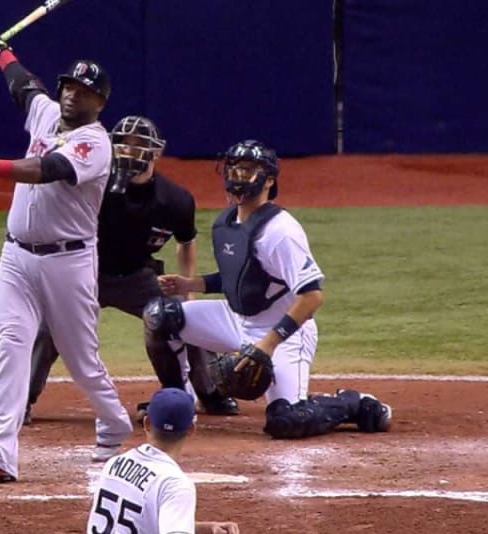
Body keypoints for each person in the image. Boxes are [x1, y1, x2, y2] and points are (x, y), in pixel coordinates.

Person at [0, 34, 133, 482]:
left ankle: (115, 420)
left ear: (99, 102)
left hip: (68, 264)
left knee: (80, 357)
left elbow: (49, 171)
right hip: (16, 258)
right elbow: (22, 86)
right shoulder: (47, 113)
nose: (71, 94)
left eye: (83, 91)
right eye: (68, 86)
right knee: (12, 344)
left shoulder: (95, 144)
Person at [144, 140, 393, 439]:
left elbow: (312, 295)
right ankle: (179, 400)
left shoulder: (281, 232)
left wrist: (269, 344)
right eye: (233, 168)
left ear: (269, 179)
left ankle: (352, 403)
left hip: (283, 333)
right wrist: (191, 284)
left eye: (247, 170)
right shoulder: (226, 221)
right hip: (235, 319)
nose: (237, 176)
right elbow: (242, 279)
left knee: (287, 421)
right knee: (160, 316)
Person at [26, 115, 238, 427]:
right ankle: (23, 399)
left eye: (139, 146)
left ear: (155, 152)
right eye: (124, 145)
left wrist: (188, 292)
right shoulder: (95, 185)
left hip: (137, 277)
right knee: (49, 331)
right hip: (85, 272)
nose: (129, 152)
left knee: (184, 318)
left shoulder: (175, 200)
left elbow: (186, 242)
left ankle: (206, 394)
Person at [76, 387, 240, 534]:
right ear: (191, 430)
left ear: (147, 423)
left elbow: (142, 524)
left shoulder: (115, 464)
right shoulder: (174, 483)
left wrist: (208, 527)